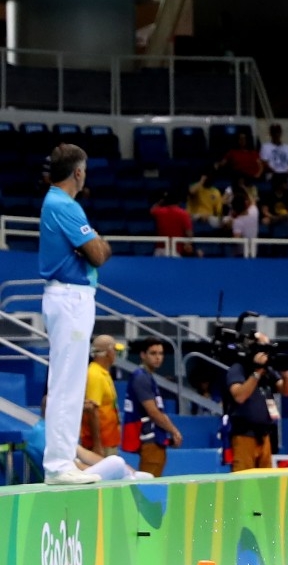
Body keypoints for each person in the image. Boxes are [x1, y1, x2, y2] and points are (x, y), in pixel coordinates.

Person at [39, 143, 110, 486]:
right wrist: (97, 242)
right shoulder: (64, 205)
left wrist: (94, 244)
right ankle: (58, 465)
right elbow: (97, 254)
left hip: (71, 297)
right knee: (67, 383)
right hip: (69, 298)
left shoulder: (59, 204)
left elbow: (94, 251)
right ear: (78, 172)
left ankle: (60, 461)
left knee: (68, 382)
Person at [225, 333, 288, 472]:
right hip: (244, 436)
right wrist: (257, 372)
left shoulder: (268, 371)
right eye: (263, 349)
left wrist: (285, 372)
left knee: (265, 481)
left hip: (264, 436)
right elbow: (239, 396)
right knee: (242, 481)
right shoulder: (238, 368)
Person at [123, 338, 182, 478]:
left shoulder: (147, 377)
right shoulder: (141, 378)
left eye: (160, 353)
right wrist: (174, 431)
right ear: (143, 355)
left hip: (154, 440)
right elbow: (153, 412)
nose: (158, 357)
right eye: (153, 353)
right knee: (148, 486)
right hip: (150, 441)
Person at [80, 334, 122, 457]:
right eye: (114, 350)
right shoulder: (95, 375)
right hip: (101, 445)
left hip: (109, 441)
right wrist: (97, 445)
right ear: (108, 352)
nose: (115, 354)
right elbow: (92, 411)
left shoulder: (103, 373)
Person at [150, 190, 196, 256]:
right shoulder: (183, 214)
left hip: (159, 251)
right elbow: (189, 233)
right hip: (175, 251)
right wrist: (188, 244)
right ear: (178, 201)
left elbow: (152, 210)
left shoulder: (159, 212)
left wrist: (162, 201)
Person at [259, 124, 288, 192]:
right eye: (274, 133)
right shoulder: (266, 147)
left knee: (284, 180)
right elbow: (264, 164)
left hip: (284, 174)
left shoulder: (287, 148)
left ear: (281, 134)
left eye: (278, 132)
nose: (276, 135)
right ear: (271, 134)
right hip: (272, 174)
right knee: (277, 179)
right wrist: (275, 171)